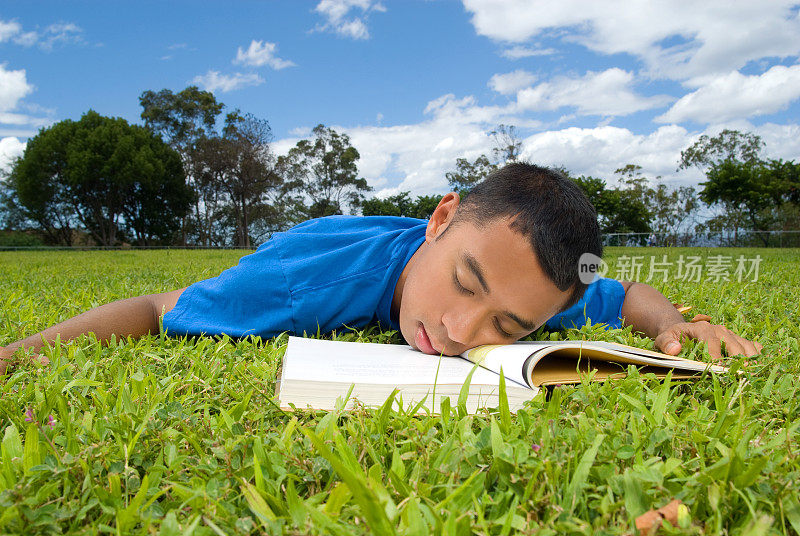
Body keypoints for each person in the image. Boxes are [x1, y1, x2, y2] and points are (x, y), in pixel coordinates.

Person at [0, 163, 761, 376]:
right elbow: (156, 307)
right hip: (323, 243)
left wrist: (677, 323)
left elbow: (624, 292)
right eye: (465, 284)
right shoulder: (305, 281)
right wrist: (13, 356)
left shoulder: (539, 291)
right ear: (439, 219)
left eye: (507, 326)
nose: (462, 331)